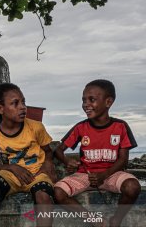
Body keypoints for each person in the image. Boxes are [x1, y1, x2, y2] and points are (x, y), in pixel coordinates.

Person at [54, 79, 141, 227]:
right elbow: (58, 150)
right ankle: (94, 220)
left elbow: (123, 161)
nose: (85, 104)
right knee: (58, 192)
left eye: (91, 100)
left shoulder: (120, 126)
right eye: (83, 100)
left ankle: (116, 221)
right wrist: (66, 161)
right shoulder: (81, 127)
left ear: (108, 102)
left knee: (133, 187)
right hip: (85, 175)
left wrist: (103, 175)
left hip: (112, 174)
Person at [0, 83, 56, 227]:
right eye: (15, 103)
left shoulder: (35, 127)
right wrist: (13, 168)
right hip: (11, 177)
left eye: (23, 102)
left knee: (44, 196)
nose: (23, 107)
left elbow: (48, 151)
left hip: (37, 173)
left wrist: (48, 163)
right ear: (0, 108)